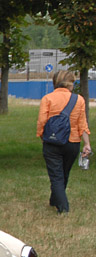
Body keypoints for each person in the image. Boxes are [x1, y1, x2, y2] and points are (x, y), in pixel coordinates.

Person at [37, 70, 91, 213]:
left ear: (55, 82)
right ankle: (55, 200)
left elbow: (42, 121)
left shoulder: (47, 99)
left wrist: (43, 137)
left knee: (56, 176)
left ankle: (63, 208)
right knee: (64, 174)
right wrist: (87, 144)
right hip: (72, 143)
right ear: (71, 83)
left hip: (52, 143)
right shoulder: (79, 99)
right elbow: (82, 124)